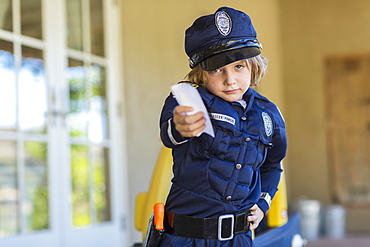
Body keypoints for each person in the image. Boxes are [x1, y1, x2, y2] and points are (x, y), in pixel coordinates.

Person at [158, 6, 287, 246]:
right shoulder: (188, 98)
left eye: (239, 67)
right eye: (217, 69)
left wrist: (262, 204)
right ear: (202, 73)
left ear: (254, 66)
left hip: (239, 239)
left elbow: (272, 166)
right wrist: (180, 125)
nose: (230, 79)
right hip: (185, 238)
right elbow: (169, 133)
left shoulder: (269, 113)